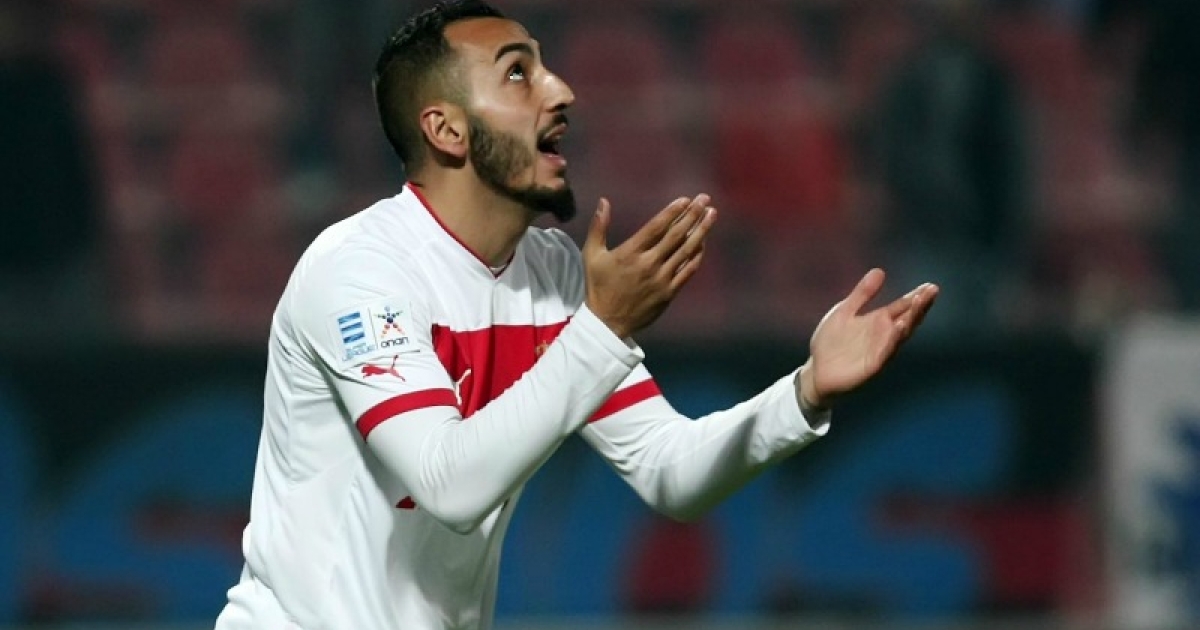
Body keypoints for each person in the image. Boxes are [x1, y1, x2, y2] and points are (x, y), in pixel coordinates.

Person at [213, 1, 939, 628]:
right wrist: (601, 328)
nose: (562, 91)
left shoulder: (552, 273)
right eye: (517, 73)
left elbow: (670, 471)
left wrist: (804, 391)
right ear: (447, 130)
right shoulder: (361, 271)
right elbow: (448, 485)